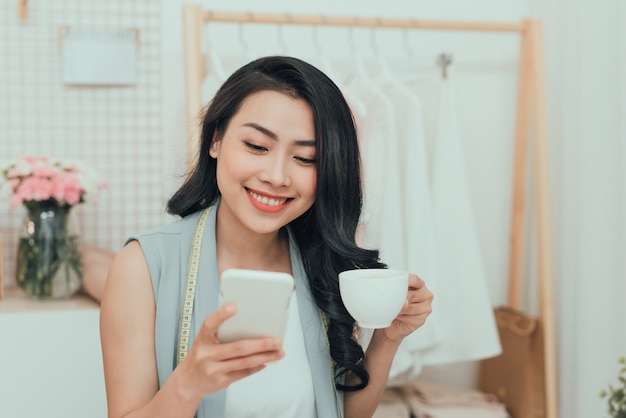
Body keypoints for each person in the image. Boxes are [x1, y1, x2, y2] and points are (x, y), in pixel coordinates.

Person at [100, 55, 433, 418]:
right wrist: (189, 383)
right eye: (257, 146)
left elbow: (344, 414)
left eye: (305, 158)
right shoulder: (144, 268)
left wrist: (387, 339)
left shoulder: (323, 263)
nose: (277, 176)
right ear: (216, 140)